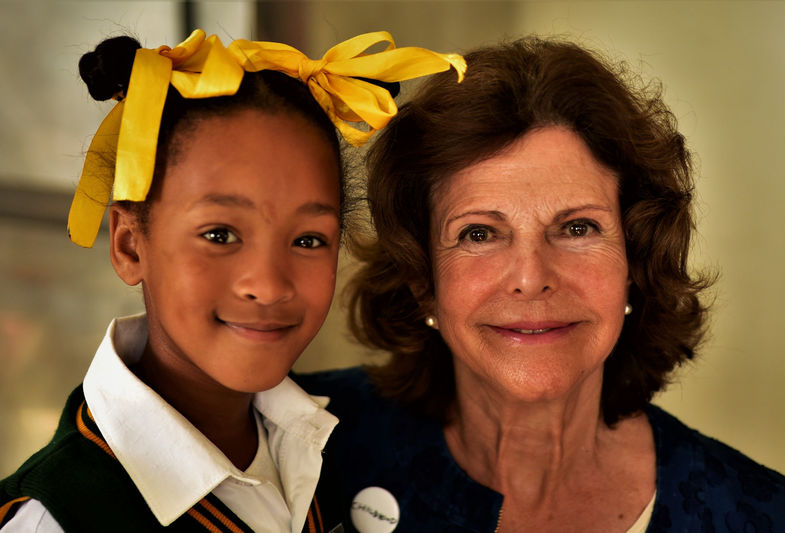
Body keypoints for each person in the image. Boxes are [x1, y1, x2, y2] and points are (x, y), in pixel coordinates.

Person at [296, 36, 785, 532]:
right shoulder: (295, 440)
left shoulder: (769, 516)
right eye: (480, 233)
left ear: (635, 262)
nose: (531, 278)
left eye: (578, 228)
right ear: (422, 278)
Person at [0, 29, 465, 533]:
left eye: (308, 240)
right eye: (220, 234)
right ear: (130, 245)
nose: (267, 285)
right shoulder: (63, 517)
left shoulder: (326, 444)